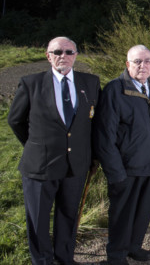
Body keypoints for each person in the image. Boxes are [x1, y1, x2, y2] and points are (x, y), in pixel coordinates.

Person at [7, 36, 100, 265]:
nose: (63, 56)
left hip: (75, 165)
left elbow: (94, 121)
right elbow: (15, 120)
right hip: (40, 165)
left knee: (68, 216)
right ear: (48, 56)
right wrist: (36, 144)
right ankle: (43, 260)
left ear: (76, 55)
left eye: (69, 52)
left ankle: (64, 258)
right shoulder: (31, 83)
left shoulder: (90, 83)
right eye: (57, 52)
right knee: (38, 219)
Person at [93, 45, 150, 265]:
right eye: (137, 61)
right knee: (122, 215)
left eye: (147, 61)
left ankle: (133, 247)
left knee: (143, 212)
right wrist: (115, 171)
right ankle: (116, 256)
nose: (142, 66)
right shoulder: (115, 90)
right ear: (127, 64)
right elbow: (104, 137)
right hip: (125, 168)